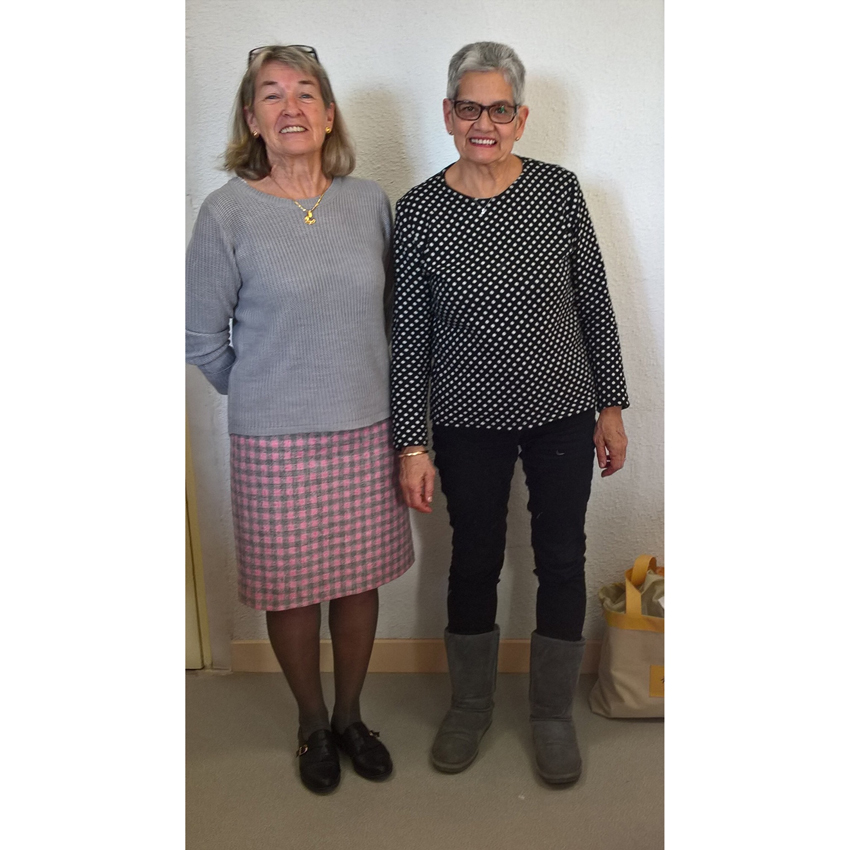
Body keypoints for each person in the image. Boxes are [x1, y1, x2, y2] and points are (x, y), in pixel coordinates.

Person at [390, 41, 629, 785]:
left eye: (499, 109)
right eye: (470, 107)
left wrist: (611, 404)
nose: (483, 123)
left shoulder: (559, 192)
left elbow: (593, 300)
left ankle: (552, 713)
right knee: (474, 557)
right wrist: (412, 443)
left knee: (561, 555)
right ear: (448, 115)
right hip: (465, 418)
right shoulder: (421, 210)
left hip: (561, 407)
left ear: (521, 118)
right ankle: (470, 706)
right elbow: (410, 338)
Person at [186, 45, 414, 795]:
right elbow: (199, 337)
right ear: (251, 120)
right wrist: (260, 389)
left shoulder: (368, 201)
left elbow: (392, 319)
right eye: (272, 95)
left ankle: (352, 715)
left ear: (328, 113)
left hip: (365, 425)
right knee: (291, 589)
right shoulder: (226, 213)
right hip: (272, 440)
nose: (291, 107)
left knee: (355, 582)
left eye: (306, 92)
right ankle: (311, 722)